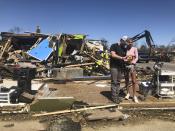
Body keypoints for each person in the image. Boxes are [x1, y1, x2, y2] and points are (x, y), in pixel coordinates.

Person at [110, 36, 128, 104]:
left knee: (118, 82)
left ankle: (117, 96)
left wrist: (127, 59)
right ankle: (114, 97)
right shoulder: (114, 45)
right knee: (114, 82)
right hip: (114, 66)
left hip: (121, 67)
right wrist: (122, 58)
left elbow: (125, 57)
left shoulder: (124, 48)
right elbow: (113, 55)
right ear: (121, 40)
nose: (125, 43)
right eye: (125, 41)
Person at [124, 38, 139, 103]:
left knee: (133, 81)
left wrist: (133, 62)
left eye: (131, 42)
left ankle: (134, 96)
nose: (130, 43)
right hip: (126, 66)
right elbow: (123, 57)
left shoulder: (134, 49)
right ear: (126, 42)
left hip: (132, 66)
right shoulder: (125, 49)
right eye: (129, 42)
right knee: (127, 80)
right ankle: (128, 93)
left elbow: (137, 57)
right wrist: (126, 60)